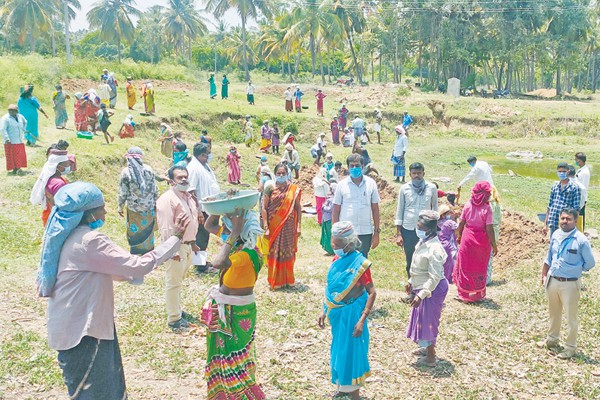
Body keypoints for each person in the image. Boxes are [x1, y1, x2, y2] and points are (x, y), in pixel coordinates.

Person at [39, 182, 188, 400]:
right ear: (88, 214)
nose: (105, 211)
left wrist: (142, 264)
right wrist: (175, 239)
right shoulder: (89, 241)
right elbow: (136, 266)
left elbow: (114, 269)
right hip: (84, 333)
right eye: (101, 207)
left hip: (75, 327)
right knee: (98, 393)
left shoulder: (68, 238)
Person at [201, 211, 267, 399]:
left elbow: (218, 262)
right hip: (225, 307)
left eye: (228, 227)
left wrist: (234, 231)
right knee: (222, 357)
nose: (225, 231)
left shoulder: (248, 254)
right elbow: (208, 226)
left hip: (238, 312)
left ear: (240, 232)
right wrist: (216, 209)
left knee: (237, 360)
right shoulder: (238, 246)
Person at [318, 221, 376, 400]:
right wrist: (324, 310)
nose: (334, 247)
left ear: (349, 244)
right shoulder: (337, 260)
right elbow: (331, 288)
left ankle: (355, 394)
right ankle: (343, 386)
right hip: (337, 314)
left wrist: (362, 319)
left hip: (353, 314)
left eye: (337, 244)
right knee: (339, 350)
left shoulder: (360, 265)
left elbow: (372, 292)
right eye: (333, 243)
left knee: (352, 351)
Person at [539, 208, 595, 359]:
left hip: (570, 284)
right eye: (562, 218)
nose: (565, 221)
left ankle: (570, 347)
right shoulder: (556, 234)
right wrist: (544, 272)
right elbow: (549, 255)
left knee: (571, 317)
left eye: (568, 219)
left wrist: (574, 269)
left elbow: (590, 263)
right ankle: (552, 339)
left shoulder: (581, 240)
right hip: (553, 281)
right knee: (554, 313)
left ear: (575, 221)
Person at [156, 165, 200, 331]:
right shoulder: (167, 200)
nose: (184, 179)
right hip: (176, 247)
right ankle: (174, 319)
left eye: (185, 176)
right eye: (179, 177)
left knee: (178, 281)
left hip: (187, 245)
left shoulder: (187, 197)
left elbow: (192, 220)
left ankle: (176, 309)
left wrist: (193, 242)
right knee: (173, 283)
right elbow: (166, 227)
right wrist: (171, 250)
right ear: (171, 181)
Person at [405, 210, 448, 367]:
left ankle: (431, 357)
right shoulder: (422, 242)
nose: (418, 230)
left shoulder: (435, 248)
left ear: (429, 230)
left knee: (429, 320)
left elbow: (435, 277)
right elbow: (419, 267)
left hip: (433, 289)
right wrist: (411, 281)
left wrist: (422, 294)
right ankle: (425, 347)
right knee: (421, 319)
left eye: (420, 227)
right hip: (423, 287)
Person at [453, 181, 498, 303]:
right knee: (479, 266)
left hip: (467, 239)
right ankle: (477, 294)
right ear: (482, 195)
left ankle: (463, 294)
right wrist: (494, 245)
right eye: (488, 194)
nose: (489, 196)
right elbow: (489, 228)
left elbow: (461, 223)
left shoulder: (468, 205)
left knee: (465, 266)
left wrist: (459, 236)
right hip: (481, 242)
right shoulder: (487, 209)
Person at [262, 162, 302, 289]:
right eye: (278, 173)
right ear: (275, 174)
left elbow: (298, 208)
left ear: (287, 174)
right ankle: (275, 280)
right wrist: (266, 227)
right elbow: (264, 208)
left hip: (289, 226)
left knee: (288, 251)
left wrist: (299, 226)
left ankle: (288, 280)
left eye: (283, 173)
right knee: (274, 252)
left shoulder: (293, 189)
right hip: (273, 226)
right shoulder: (269, 188)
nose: (281, 175)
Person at [332, 154, 381, 258]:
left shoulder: (371, 184)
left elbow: (375, 209)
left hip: (365, 231)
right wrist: (334, 234)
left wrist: (377, 233)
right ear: (348, 168)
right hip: (346, 232)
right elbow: (336, 210)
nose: (354, 168)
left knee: (362, 261)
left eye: (357, 165)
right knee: (345, 261)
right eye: (352, 166)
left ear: (362, 166)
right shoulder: (341, 185)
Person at [395, 162, 438, 278]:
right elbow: (400, 210)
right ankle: (412, 288)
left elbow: (435, 209)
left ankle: (425, 288)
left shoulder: (432, 188)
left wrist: (435, 229)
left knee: (426, 258)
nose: (416, 176)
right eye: (414, 173)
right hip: (408, 229)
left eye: (419, 173)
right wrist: (398, 233)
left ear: (423, 173)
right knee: (411, 259)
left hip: (426, 230)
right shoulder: (404, 188)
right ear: (410, 174)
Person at [118, 147, 160, 256]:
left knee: (135, 230)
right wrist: (156, 203)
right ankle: (149, 253)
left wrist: (120, 207)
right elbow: (155, 189)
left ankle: (136, 253)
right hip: (149, 207)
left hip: (134, 209)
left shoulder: (126, 172)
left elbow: (123, 192)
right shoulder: (149, 169)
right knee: (148, 230)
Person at [187, 142, 221, 274]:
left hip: (208, 208)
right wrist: (198, 210)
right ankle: (200, 267)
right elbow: (191, 191)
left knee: (204, 235)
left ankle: (201, 261)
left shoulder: (204, 166)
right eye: (206, 155)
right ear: (200, 155)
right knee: (201, 236)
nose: (208, 157)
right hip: (200, 209)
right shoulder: (194, 168)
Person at [30, 152, 71, 226]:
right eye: (67, 164)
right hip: (57, 220)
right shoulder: (58, 183)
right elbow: (63, 204)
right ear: (59, 167)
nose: (69, 166)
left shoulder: (51, 179)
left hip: (50, 216)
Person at [544, 162, 581, 237]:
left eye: (563, 171)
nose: (561, 173)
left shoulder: (574, 187)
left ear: (568, 172)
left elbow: (576, 209)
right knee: (554, 244)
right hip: (554, 221)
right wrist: (545, 224)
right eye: (559, 171)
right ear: (557, 172)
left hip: (566, 224)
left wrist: (574, 224)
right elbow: (550, 206)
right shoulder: (555, 186)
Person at [1, 104, 28, 176]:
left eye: (13, 110)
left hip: (19, 139)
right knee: (12, 155)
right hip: (11, 141)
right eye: (10, 110)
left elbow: (25, 122)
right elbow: (3, 129)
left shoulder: (20, 117)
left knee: (19, 155)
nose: (11, 112)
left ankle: (18, 168)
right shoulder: (5, 118)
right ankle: (14, 169)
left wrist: (24, 129)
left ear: (17, 111)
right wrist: (7, 138)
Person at [437, 205, 458, 282]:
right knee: (452, 262)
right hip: (450, 245)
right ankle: (451, 277)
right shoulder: (449, 222)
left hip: (440, 244)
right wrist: (457, 219)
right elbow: (458, 227)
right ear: (443, 214)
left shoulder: (438, 222)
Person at [487, 186, 502, 285]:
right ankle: (488, 278)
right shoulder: (498, 204)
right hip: (496, 229)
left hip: (489, 230)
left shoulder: (489, 204)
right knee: (490, 256)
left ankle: (486, 279)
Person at [574, 152, 590, 231]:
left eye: (576, 160)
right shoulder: (581, 170)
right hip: (578, 196)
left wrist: (581, 201)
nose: (575, 161)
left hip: (581, 198)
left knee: (580, 216)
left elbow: (583, 188)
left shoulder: (584, 173)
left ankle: (580, 233)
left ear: (580, 161)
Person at [320, 182, 336, 255]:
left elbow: (330, 209)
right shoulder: (330, 198)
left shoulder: (333, 199)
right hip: (326, 218)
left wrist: (323, 207)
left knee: (329, 234)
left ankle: (331, 250)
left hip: (329, 219)